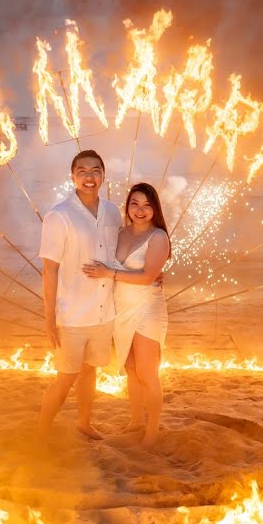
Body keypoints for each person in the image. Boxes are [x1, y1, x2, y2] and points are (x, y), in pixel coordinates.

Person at [37, 150, 123, 438]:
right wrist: (50, 318)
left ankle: (84, 424)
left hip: (103, 312)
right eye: (82, 171)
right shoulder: (59, 216)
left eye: (96, 170)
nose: (90, 177)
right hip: (72, 313)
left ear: (103, 175)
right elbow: (49, 269)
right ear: (72, 176)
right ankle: (41, 432)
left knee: (90, 371)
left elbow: (120, 254)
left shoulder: (112, 211)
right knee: (65, 377)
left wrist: (150, 271)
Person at [81, 182, 171, 447]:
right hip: (122, 308)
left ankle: (152, 428)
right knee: (131, 369)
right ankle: (136, 421)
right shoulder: (120, 233)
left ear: (154, 208)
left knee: (146, 371)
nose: (140, 210)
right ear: (127, 206)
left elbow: (147, 277)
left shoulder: (158, 237)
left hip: (147, 307)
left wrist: (109, 273)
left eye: (146, 205)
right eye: (135, 203)